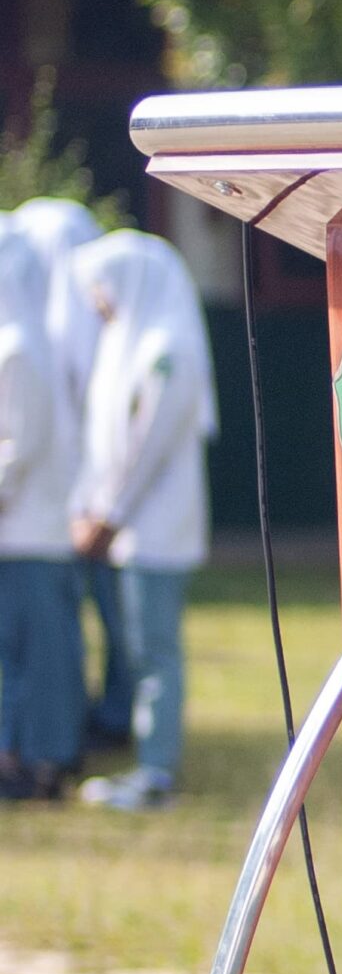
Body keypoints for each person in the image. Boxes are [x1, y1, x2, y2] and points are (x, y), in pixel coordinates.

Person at [66, 232, 216, 810]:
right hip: (125, 529)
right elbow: (104, 444)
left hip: (154, 531)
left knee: (155, 655)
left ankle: (156, 774)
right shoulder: (127, 342)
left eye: (100, 286)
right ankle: (148, 759)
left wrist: (108, 515)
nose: (96, 300)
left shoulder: (165, 349)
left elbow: (147, 448)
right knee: (137, 650)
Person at [10, 196, 133, 748]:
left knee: (81, 621)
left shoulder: (42, 334)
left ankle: (100, 721)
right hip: (58, 501)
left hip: (81, 502)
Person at [0, 225, 87, 798]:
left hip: (28, 533)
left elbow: (19, 445)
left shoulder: (18, 348)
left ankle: (39, 766)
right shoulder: (30, 341)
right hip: (26, 532)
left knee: (35, 662)